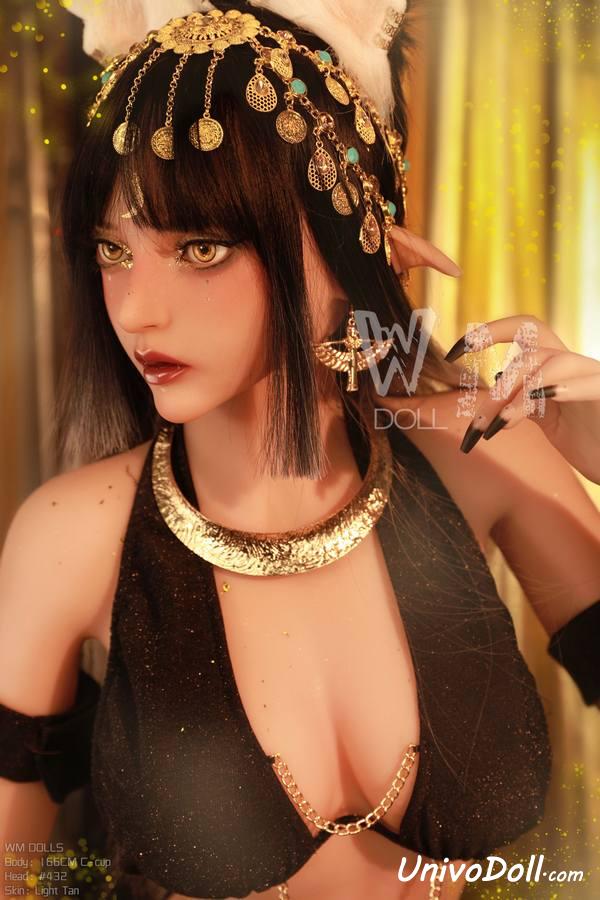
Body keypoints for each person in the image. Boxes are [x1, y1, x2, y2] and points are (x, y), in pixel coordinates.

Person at [0, 1, 599, 898]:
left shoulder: (485, 451)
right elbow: (14, 873)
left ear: (359, 240)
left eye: (201, 247)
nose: (137, 311)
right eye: (113, 251)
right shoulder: (70, 537)